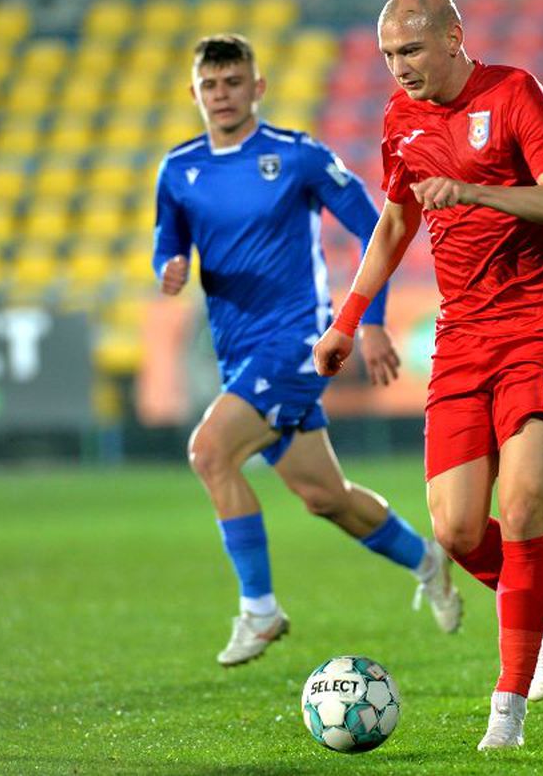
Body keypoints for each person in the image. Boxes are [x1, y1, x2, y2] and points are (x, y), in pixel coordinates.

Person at [313, 0, 543, 750]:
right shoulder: (401, 122)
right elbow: (397, 218)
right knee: (460, 529)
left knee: (526, 503)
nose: (399, 69)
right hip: (462, 338)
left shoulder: (513, 91)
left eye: (412, 50)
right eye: (389, 56)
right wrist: (348, 320)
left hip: (539, 326)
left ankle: (507, 711)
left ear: (455, 37)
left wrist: (470, 190)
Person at [152, 34, 462, 668]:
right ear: (194, 94)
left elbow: (378, 227)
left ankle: (260, 610)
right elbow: (168, 241)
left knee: (209, 451)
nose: (223, 96)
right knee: (326, 496)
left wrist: (368, 322)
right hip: (238, 351)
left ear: (257, 87)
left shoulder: (297, 157)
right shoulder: (178, 170)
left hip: (299, 340)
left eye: (234, 82)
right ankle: (428, 561)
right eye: (211, 86)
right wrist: (172, 265)